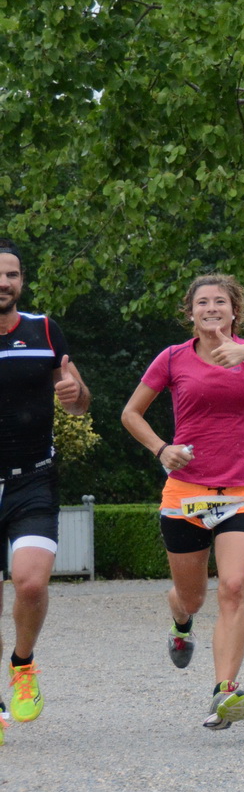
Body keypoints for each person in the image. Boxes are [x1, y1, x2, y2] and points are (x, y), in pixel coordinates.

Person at [121, 274, 244, 730]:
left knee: (234, 587)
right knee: (193, 599)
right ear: (191, 312)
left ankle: (224, 692)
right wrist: (161, 449)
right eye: (203, 302)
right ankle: (180, 620)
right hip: (187, 493)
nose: (212, 308)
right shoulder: (173, 358)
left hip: (242, 492)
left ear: (235, 311)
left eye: (221, 301)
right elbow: (130, 412)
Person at [0, 240, 91, 744]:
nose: (2, 283)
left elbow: (78, 403)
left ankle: (23, 665)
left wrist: (76, 394)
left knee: (30, 584)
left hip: (32, 479)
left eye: (10, 275)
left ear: (21, 281)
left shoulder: (44, 329)